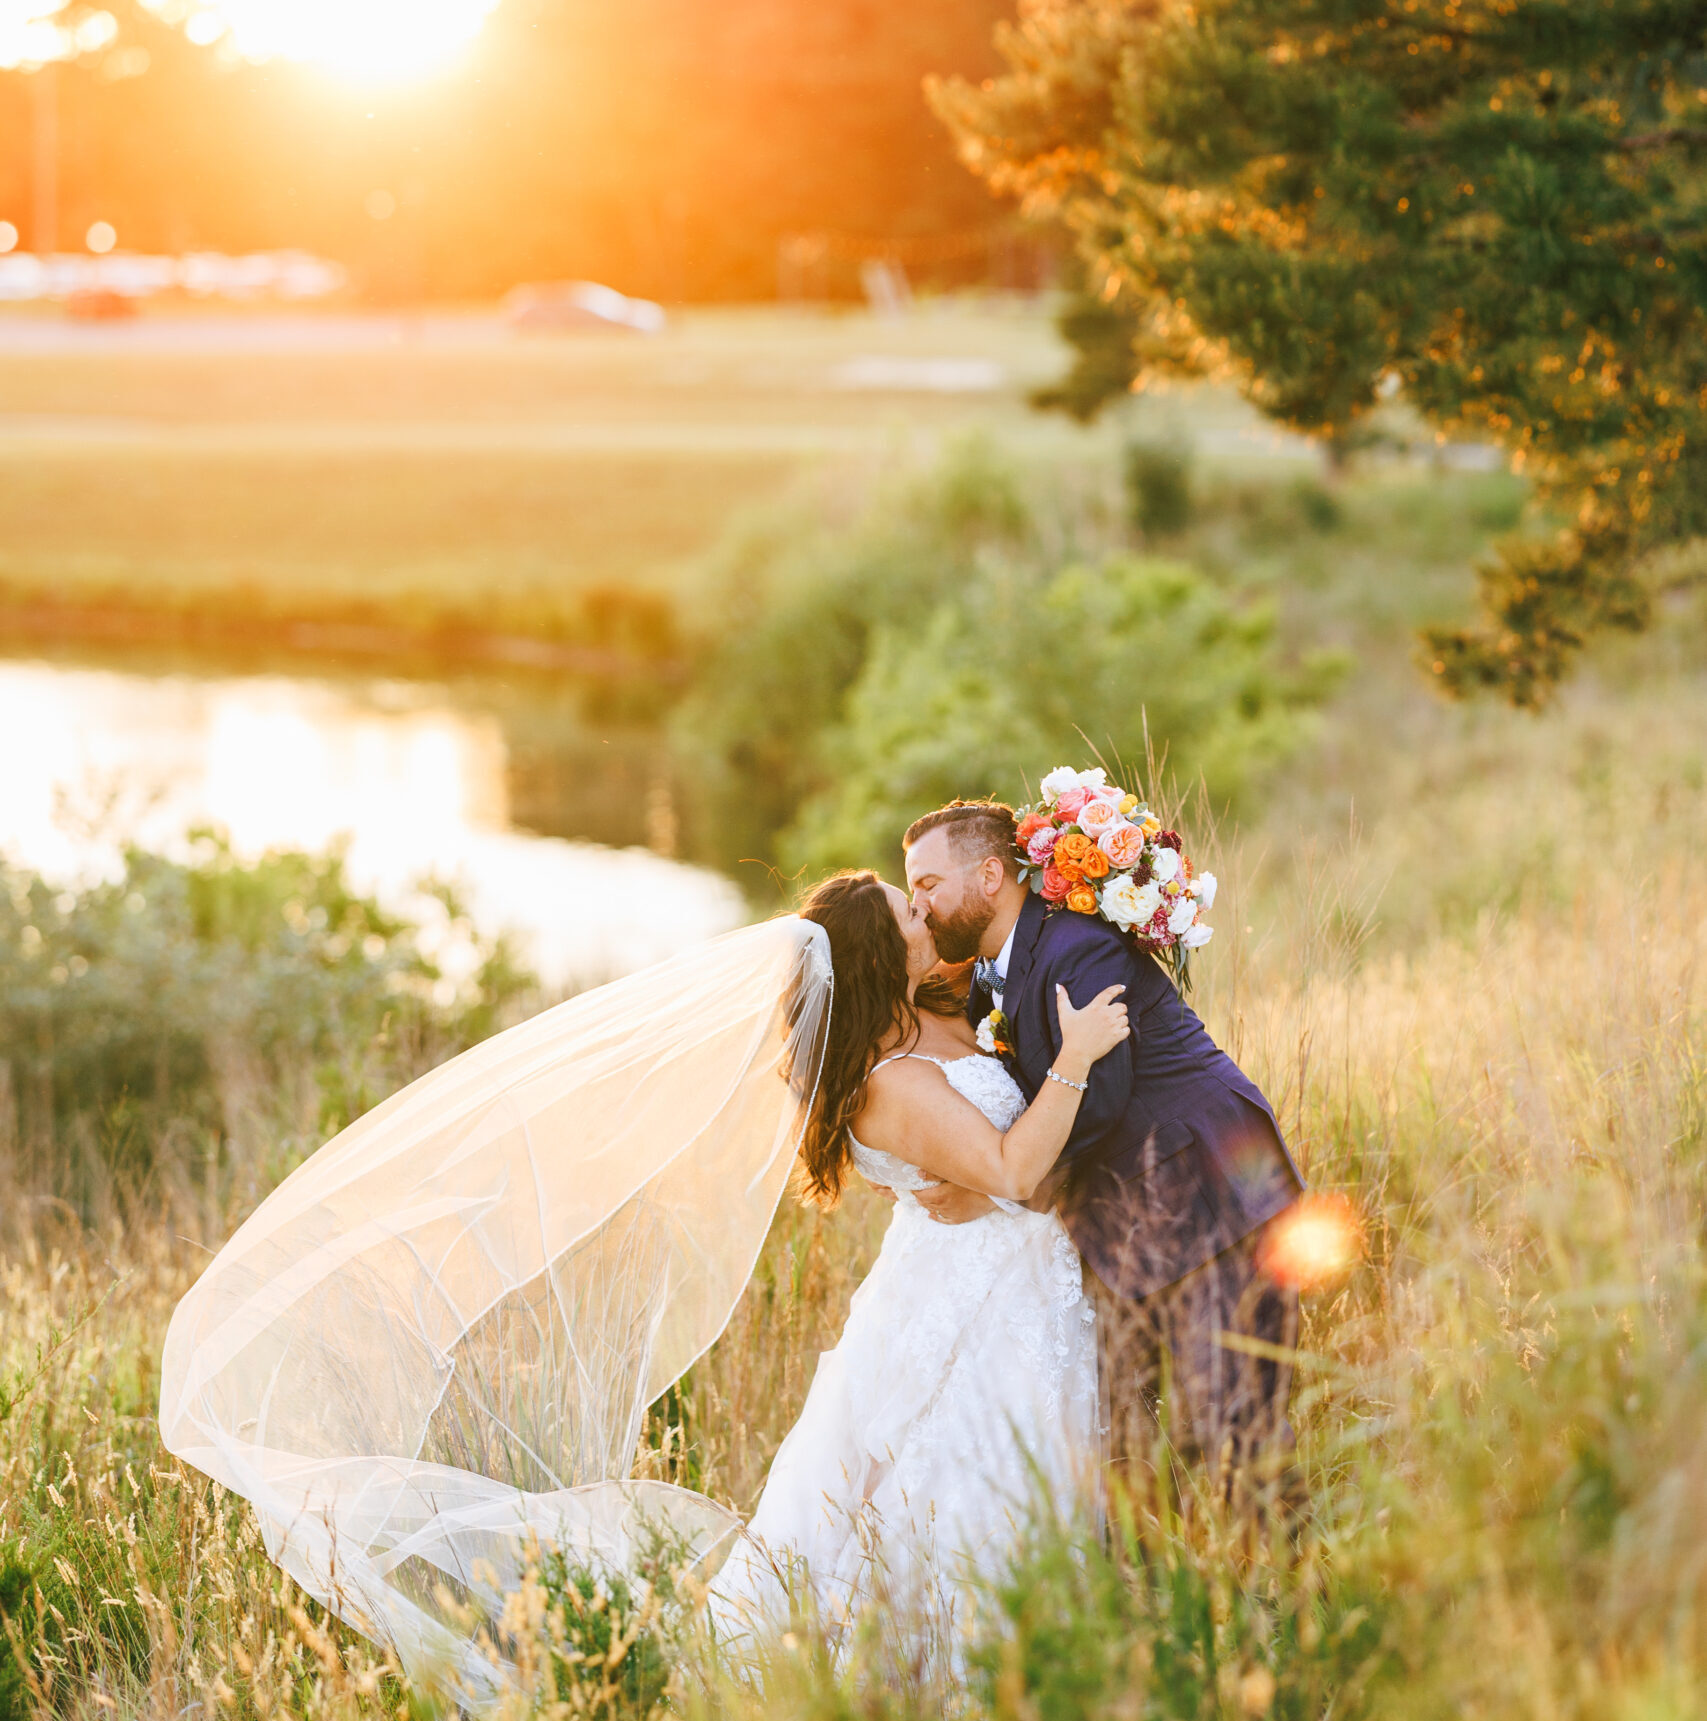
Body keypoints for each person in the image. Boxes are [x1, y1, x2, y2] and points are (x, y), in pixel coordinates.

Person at [707, 869, 1129, 1657]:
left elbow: (989, 1167)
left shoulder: (935, 1004)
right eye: (909, 907)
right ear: (879, 951)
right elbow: (1010, 1170)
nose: (923, 907)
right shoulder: (889, 1081)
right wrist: (1074, 1057)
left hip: (1016, 1265)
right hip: (979, 1295)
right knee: (973, 1472)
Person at [902, 801, 1305, 1495]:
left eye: (928, 884)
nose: (919, 903)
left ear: (990, 875)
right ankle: (1176, 1592)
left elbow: (1101, 1093)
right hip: (1136, 1216)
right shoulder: (990, 973)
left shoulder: (1072, 946)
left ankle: (1296, 1598)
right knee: (1144, 1442)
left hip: (1208, 1193)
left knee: (1239, 1427)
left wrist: (997, 1185)